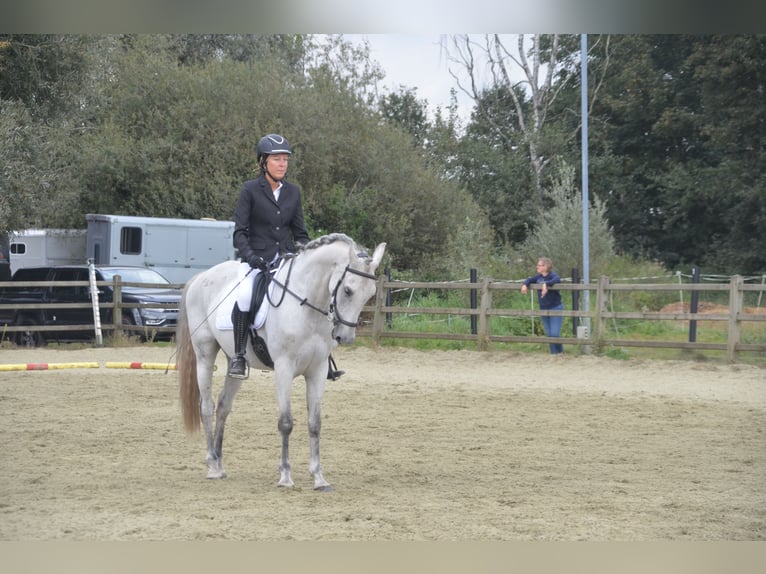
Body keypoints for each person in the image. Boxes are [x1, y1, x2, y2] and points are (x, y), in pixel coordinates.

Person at [229, 133, 344, 380]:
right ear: (263, 162)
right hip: (256, 261)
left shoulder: (293, 192)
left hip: (287, 260)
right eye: (277, 159)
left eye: (285, 160)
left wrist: (308, 255)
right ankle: (239, 356)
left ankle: (324, 358)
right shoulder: (250, 190)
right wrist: (250, 257)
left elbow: (300, 233)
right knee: (245, 295)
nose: (282, 164)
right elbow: (240, 233)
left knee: (314, 296)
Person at [520, 257, 564, 355]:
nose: (537, 267)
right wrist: (524, 285)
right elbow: (529, 279)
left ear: (546, 266)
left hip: (555, 307)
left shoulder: (553, 275)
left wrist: (546, 284)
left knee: (555, 334)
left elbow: (557, 280)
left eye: (539, 265)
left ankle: (560, 351)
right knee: (549, 334)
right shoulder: (538, 277)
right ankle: (554, 354)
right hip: (543, 308)